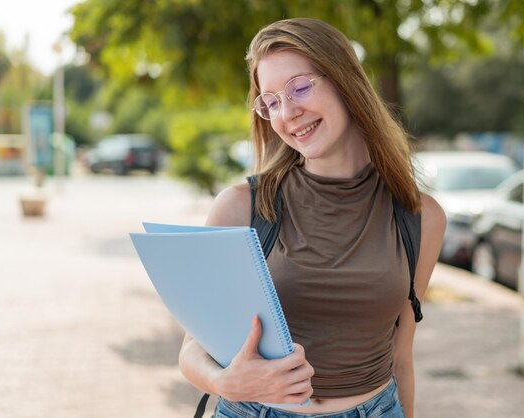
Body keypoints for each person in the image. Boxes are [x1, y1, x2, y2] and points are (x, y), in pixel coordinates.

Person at [178, 17, 446, 418]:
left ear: (344, 81)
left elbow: (401, 355)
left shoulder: (420, 217)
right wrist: (222, 382)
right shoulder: (241, 208)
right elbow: (191, 349)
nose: (288, 113)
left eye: (300, 87)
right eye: (271, 102)